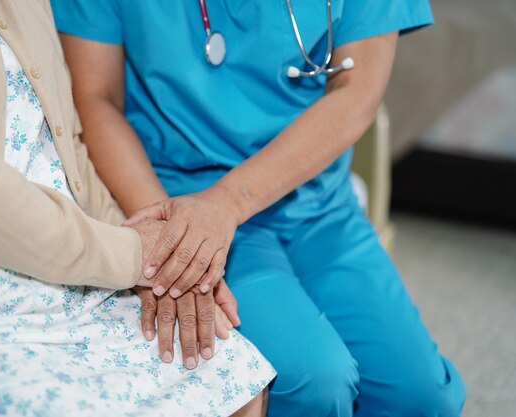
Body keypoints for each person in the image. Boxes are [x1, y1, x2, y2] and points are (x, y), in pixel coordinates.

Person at [52, 0, 467, 415]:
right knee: (313, 380)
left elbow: (358, 92)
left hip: (317, 203)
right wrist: (174, 238)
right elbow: (96, 98)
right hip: (180, 197)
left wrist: (229, 202)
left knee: (422, 398)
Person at [0, 2, 275, 416]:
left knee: (231, 370)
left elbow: (66, 149)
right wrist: (133, 254)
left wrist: (170, 263)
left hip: (78, 276)